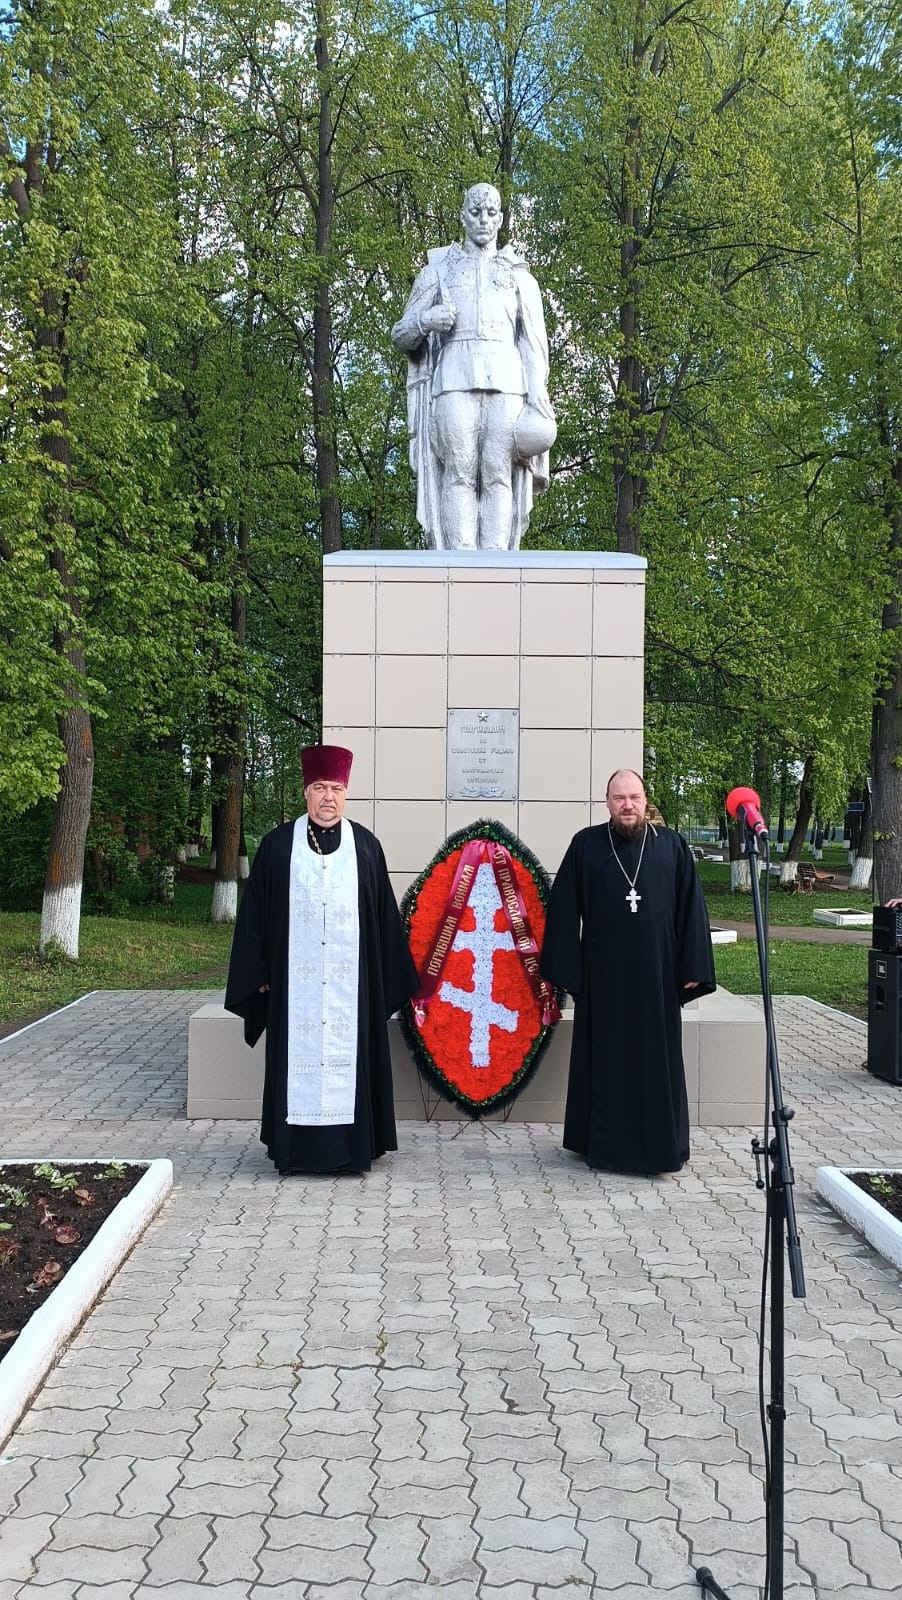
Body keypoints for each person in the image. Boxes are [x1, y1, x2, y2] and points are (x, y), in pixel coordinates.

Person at [224, 745, 418, 1175]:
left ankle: (355, 1149)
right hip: (295, 992)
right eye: (319, 788)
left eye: (335, 788)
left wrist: (384, 980)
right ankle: (294, 1150)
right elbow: (254, 918)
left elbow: (384, 919)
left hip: (352, 994)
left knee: (353, 1061)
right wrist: (258, 976)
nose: (328, 797)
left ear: (345, 793)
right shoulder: (278, 847)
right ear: (305, 792)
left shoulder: (365, 847)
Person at [540, 769, 717, 1176]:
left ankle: (662, 1146)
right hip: (603, 978)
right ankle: (601, 1145)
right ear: (607, 802)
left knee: (657, 1060)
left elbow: (691, 910)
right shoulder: (586, 845)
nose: (627, 806)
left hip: (658, 976)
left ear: (645, 799)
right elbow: (564, 910)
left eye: (634, 797)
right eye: (619, 798)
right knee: (606, 1059)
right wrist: (569, 973)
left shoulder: (672, 846)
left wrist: (693, 967)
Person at [390, 181, 556, 551]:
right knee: (459, 472)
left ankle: (496, 571)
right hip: (452, 381)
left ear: (501, 218)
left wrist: (538, 398)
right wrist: (428, 320)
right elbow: (401, 335)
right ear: (463, 215)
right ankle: (458, 566)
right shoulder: (437, 272)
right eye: (475, 212)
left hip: (509, 385)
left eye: (491, 212)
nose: (483, 220)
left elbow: (533, 345)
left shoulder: (519, 276)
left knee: (498, 474)